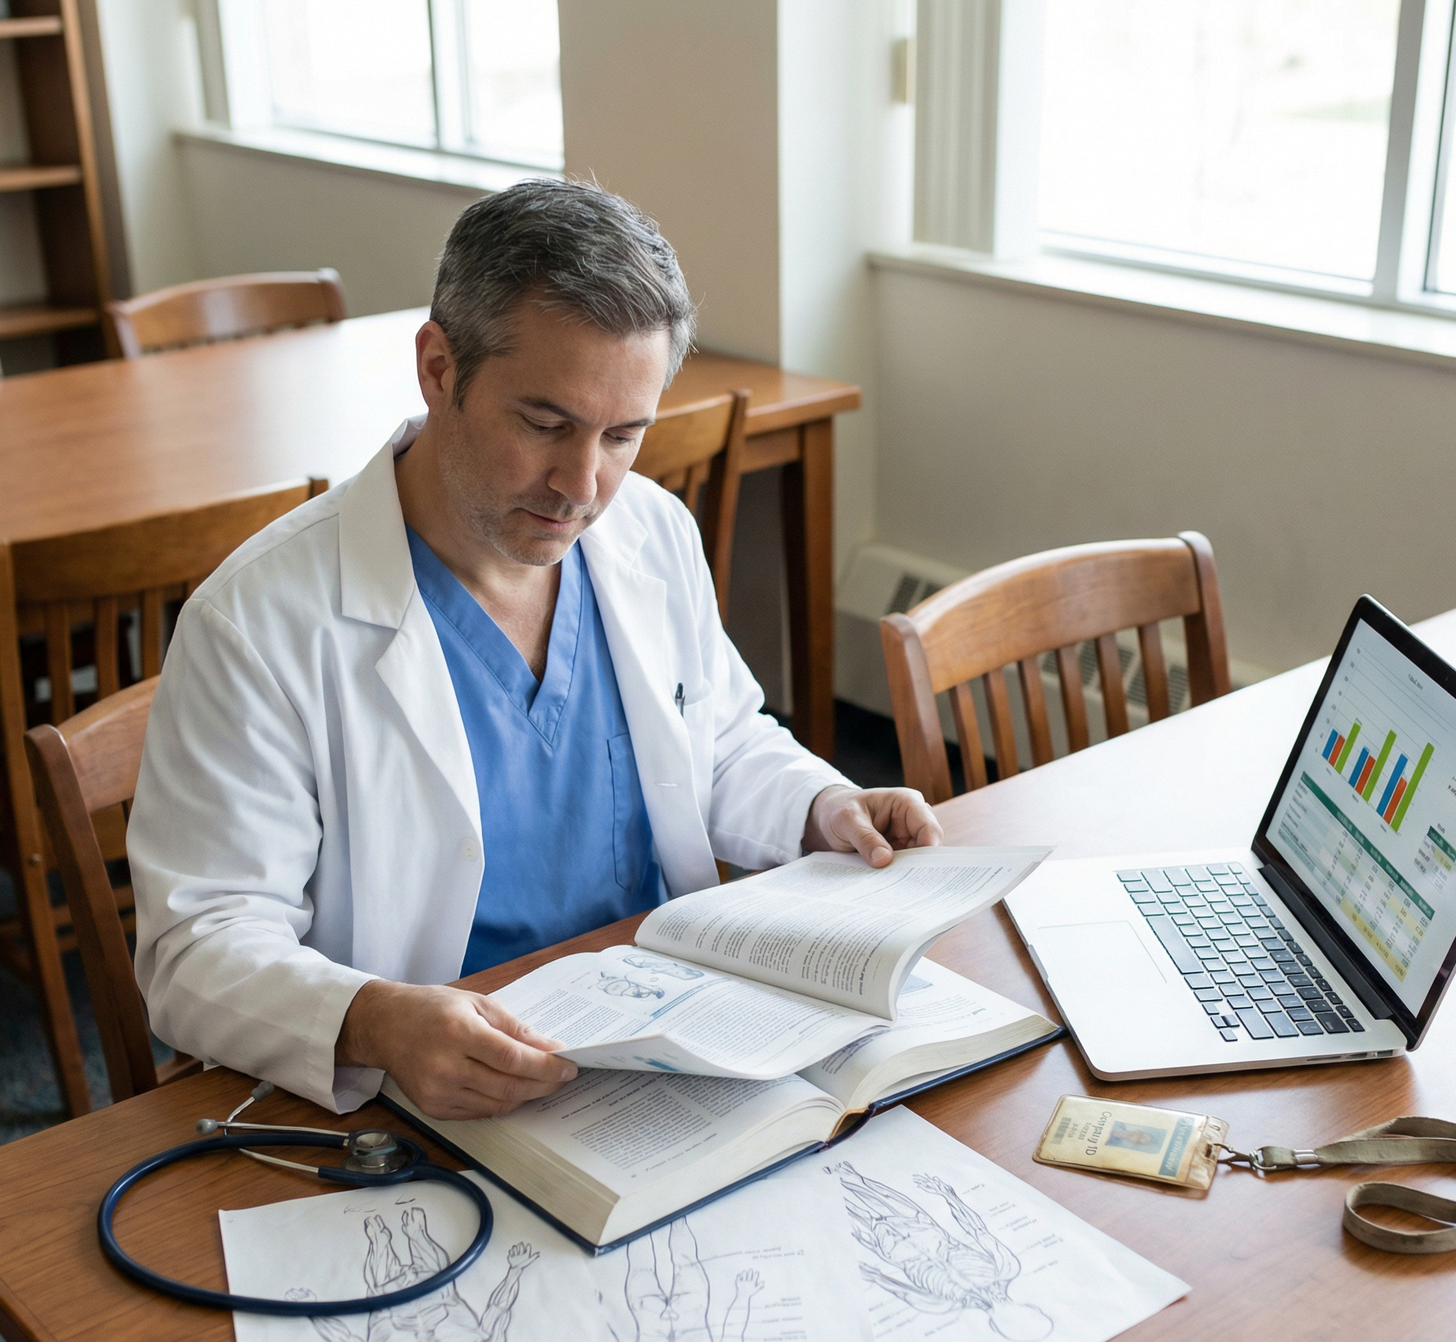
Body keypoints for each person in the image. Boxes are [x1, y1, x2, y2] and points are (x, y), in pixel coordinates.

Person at [128, 178, 941, 1122]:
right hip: (433, 1094)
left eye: (624, 435)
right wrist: (374, 1021)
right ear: (439, 368)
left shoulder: (649, 532)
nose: (582, 485)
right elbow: (198, 947)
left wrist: (821, 804)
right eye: (545, 424)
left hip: (665, 1055)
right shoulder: (257, 622)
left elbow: (716, 738)